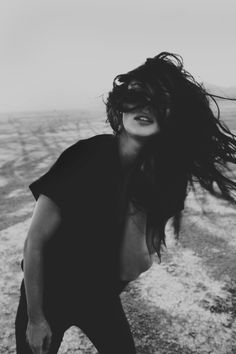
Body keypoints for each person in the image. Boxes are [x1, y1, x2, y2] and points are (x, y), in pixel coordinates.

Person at [15, 52, 236, 354]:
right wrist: (36, 318)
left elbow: (132, 266)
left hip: (99, 297)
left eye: (159, 101)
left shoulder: (166, 181)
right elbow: (35, 243)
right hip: (48, 292)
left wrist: (139, 193)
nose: (145, 107)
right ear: (121, 104)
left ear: (172, 116)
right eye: (137, 95)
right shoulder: (86, 156)